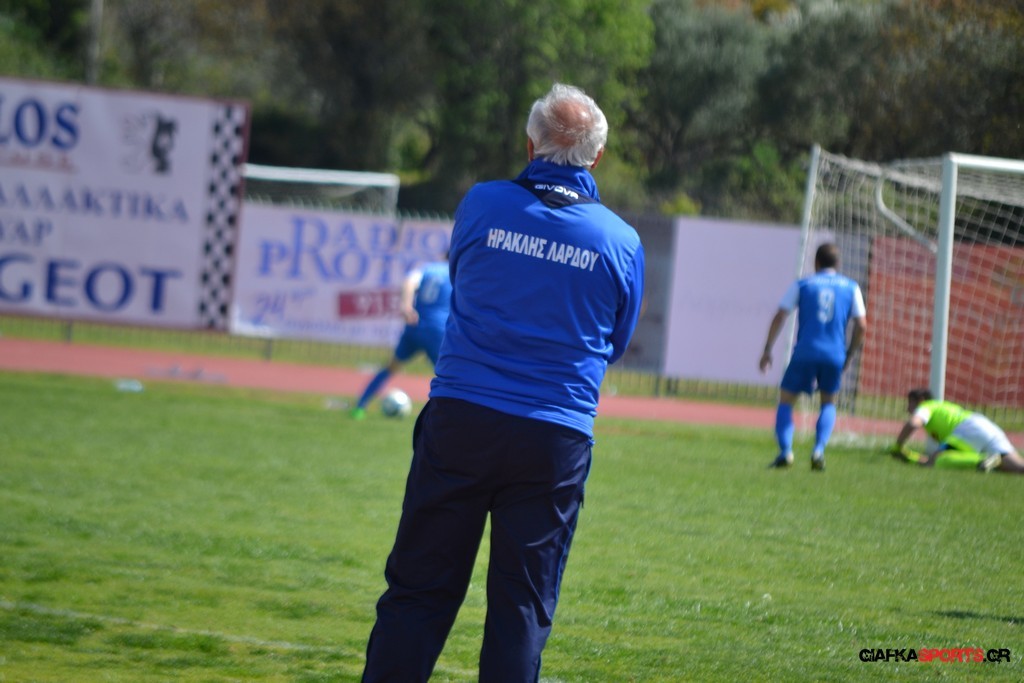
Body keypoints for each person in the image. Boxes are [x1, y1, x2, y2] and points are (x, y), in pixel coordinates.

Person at [361, 83, 645, 682]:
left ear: (530, 145)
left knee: (419, 589)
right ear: (597, 157)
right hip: (554, 436)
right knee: (521, 607)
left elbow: (463, 281)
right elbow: (615, 343)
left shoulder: (482, 204)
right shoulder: (620, 241)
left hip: (462, 418)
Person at [759, 243, 867, 470]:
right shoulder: (851, 287)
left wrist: (768, 348)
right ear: (837, 263)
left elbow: (781, 315)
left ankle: (786, 452)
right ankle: (818, 450)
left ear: (816, 262)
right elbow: (862, 325)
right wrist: (849, 353)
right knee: (828, 402)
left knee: (786, 400)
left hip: (805, 352)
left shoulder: (803, 284)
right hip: (834, 354)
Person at [350, 256, 452, 419]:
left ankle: (359, 407)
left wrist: (406, 306)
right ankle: (447, 416)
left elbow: (409, 282)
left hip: (414, 325)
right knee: (448, 376)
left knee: (391, 367)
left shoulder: (428, 268)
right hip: (437, 330)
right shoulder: (455, 273)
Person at [889, 388, 1024, 474]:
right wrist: (912, 457)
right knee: (1018, 468)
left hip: (968, 429)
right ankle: (991, 461)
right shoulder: (942, 406)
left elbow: (913, 423)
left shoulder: (926, 406)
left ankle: (982, 460)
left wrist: (898, 445)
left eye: (910, 403)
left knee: (937, 460)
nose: (908, 408)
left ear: (921, 400)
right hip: (988, 427)